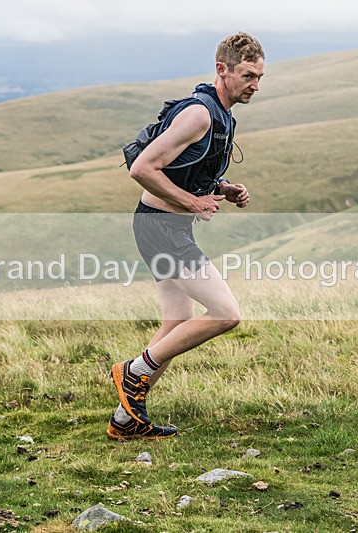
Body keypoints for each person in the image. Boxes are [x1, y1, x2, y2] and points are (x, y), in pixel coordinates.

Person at [107, 32, 265, 440]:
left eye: (260, 77)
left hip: (161, 225)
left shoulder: (221, 114)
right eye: (248, 75)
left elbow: (187, 168)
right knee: (226, 314)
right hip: (161, 228)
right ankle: (133, 371)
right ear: (222, 70)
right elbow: (142, 169)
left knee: (177, 321)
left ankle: (125, 421)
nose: (255, 85)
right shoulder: (199, 113)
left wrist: (223, 187)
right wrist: (193, 204)